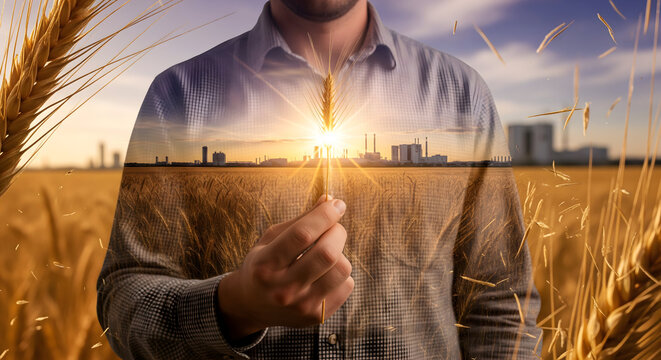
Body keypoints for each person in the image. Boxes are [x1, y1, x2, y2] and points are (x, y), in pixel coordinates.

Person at [96, 0, 542, 359]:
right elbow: (124, 299)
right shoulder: (179, 96)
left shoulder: (462, 95)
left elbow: (501, 304)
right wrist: (233, 306)